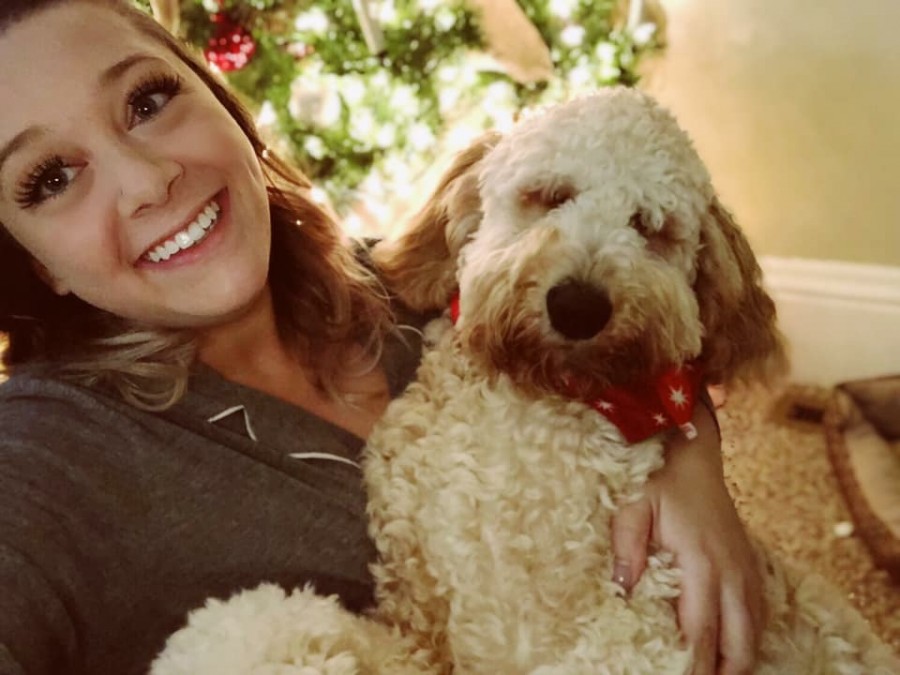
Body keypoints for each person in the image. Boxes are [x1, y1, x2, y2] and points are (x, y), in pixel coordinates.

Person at [0, 1, 764, 673]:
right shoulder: (51, 451)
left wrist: (689, 451)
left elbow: (638, 324)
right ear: (36, 263)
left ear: (221, 102)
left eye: (147, 100)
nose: (147, 180)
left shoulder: (422, 283)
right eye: (50, 178)